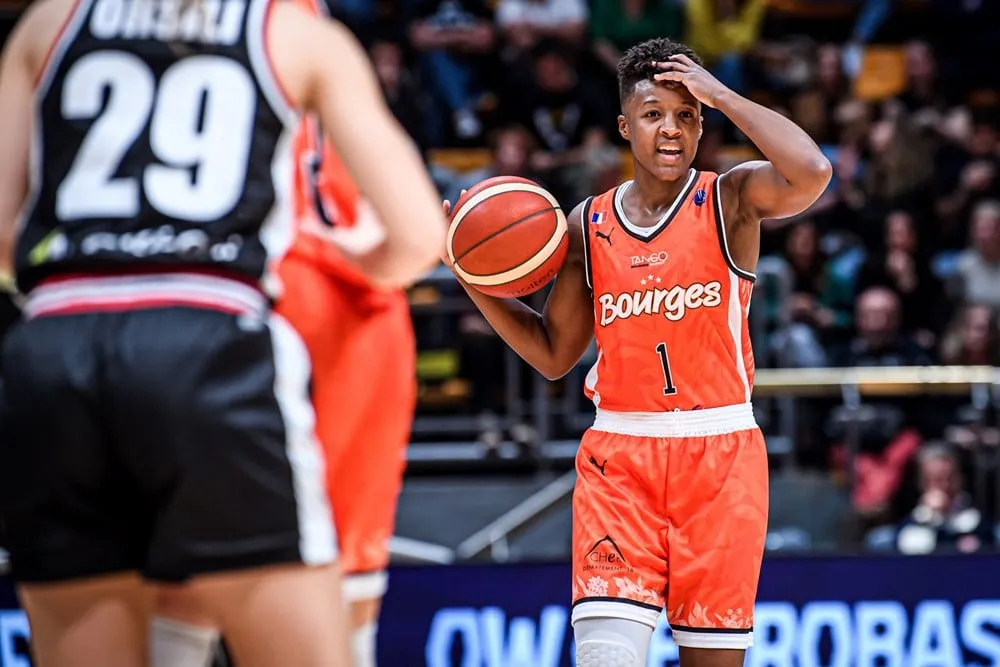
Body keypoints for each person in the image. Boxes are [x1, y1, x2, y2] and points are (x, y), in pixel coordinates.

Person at [0, 0, 445, 665]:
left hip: (52, 348)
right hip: (206, 338)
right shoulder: (294, 33)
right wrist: (358, 254)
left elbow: (5, 233)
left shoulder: (49, 22)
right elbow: (417, 236)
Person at [443, 38, 831, 666]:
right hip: (620, 459)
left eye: (686, 115)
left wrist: (724, 94)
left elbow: (812, 171)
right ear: (626, 126)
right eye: (654, 114)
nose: (671, 130)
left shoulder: (729, 199)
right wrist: (472, 277)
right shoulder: (586, 224)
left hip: (721, 455)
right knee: (604, 656)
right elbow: (552, 353)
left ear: (702, 122)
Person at [154, 17, 418, 667]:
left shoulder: (141, 25)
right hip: (350, 296)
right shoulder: (307, 34)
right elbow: (415, 236)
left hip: (213, 290)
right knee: (347, 581)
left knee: (182, 583)